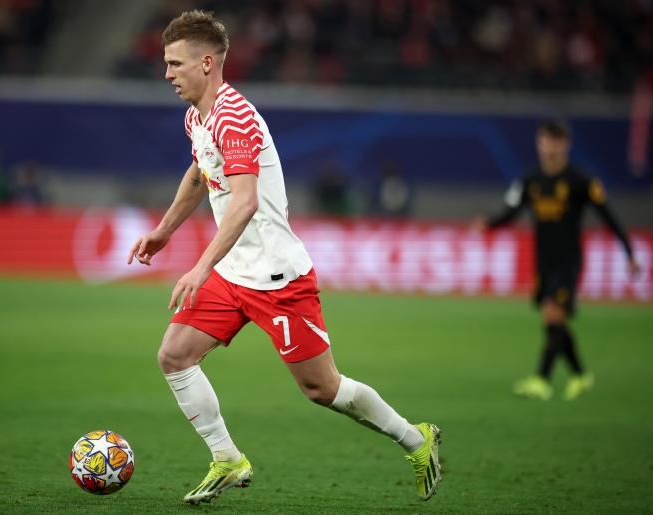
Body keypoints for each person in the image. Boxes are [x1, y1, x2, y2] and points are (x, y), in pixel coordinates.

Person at [127, 10, 441, 506]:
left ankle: (415, 438)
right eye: (166, 63)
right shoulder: (197, 117)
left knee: (322, 389)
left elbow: (245, 202)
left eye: (175, 63)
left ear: (206, 63)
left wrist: (200, 266)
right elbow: (200, 171)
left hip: (277, 279)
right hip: (233, 272)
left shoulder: (235, 117)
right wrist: (165, 230)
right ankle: (227, 458)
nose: (167, 73)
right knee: (174, 355)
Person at [473, 119, 641, 401]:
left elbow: (608, 216)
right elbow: (512, 211)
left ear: (565, 144)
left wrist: (629, 252)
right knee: (554, 322)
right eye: (543, 141)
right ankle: (580, 375)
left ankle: (542, 380)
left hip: (568, 261)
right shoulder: (531, 179)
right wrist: (489, 224)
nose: (548, 148)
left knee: (553, 312)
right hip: (543, 262)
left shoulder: (580, 180)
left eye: (554, 142)